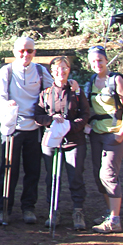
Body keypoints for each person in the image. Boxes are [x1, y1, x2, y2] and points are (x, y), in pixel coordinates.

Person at [0, 35, 53, 224]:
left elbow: (53, 93)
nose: (25, 54)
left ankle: (28, 208)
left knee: (33, 170)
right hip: (12, 128)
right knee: (9, 169)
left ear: (35, 52)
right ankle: (4, 210)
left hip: (34, 128)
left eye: (29, 51)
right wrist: (6, 105)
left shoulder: (41, 72)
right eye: (21, 50)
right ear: (14, 52)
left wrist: (71, 87)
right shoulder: (6, 71)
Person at [34, 56, 91, 231]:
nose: (62, 71)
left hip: (74, 141)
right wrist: (51, 119)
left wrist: (70, 126)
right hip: (51, 141)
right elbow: (37, 116)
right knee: (52, 177)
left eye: (65, 68)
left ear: (69, 70)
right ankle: (53, 212)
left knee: (76, 177)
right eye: (58, 68)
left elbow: (85, 114)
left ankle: (78, 212)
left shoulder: (77, 92)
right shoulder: (45, 93)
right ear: (52, 72)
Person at [85, 45, 123, 233]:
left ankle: (115, 220)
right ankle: (109, 212)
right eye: (94, 61)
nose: (97, 64)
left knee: (108, 174)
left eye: (100, 60)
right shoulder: (91, 81)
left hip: (114, 133)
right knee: (99, 176)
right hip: (96, 133)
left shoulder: (116, 80)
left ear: (106, 61)